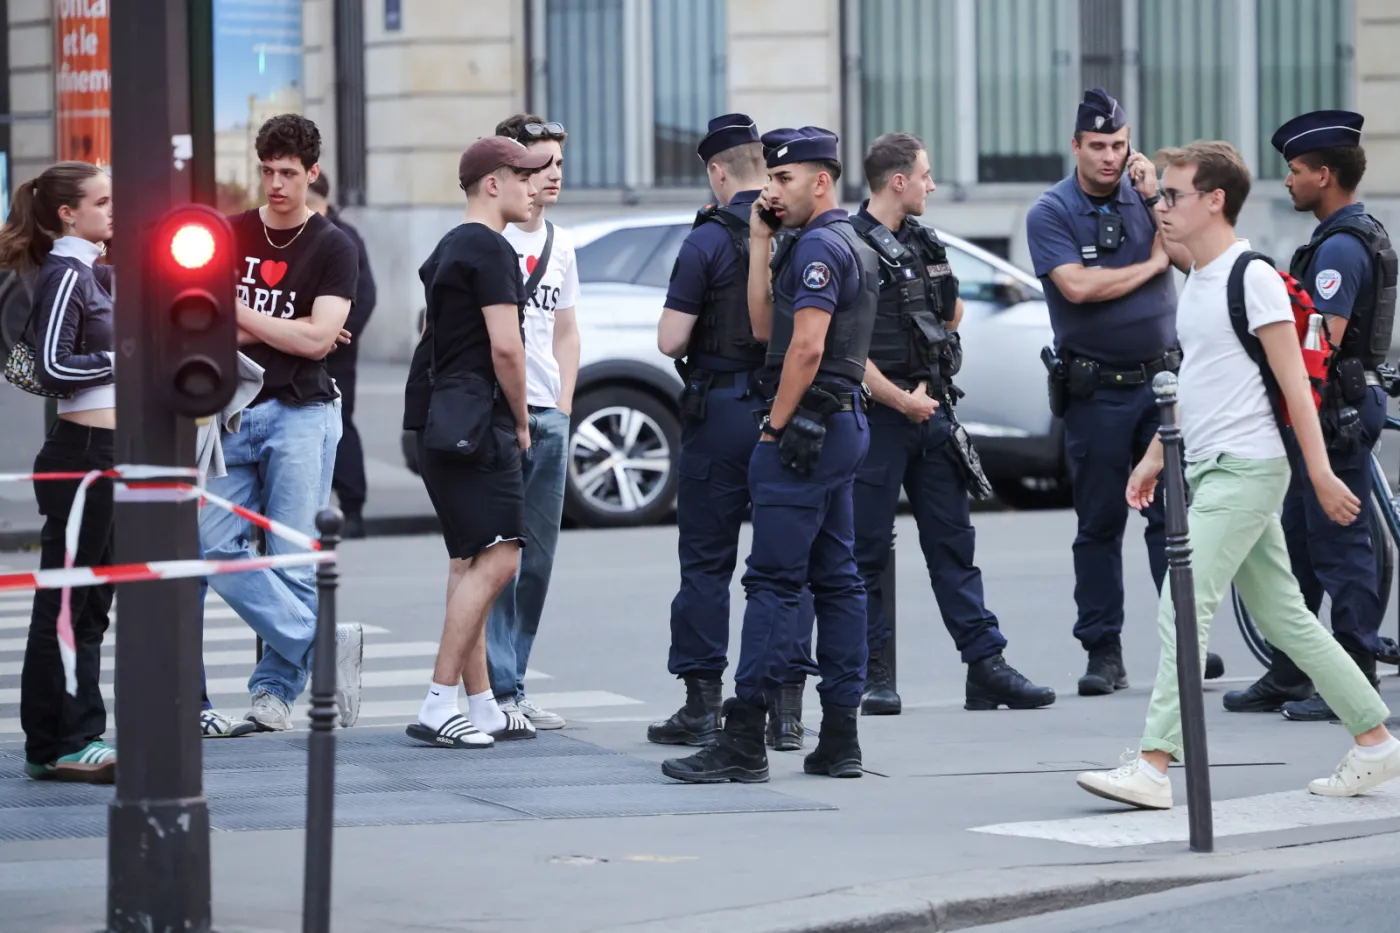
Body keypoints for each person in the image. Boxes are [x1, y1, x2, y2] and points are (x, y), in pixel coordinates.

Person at [1076, 140, 1400, 810]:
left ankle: (1157, 764)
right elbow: (1199, 382)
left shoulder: (1251, 278)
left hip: (1246, 471)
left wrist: (1320, 472)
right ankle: (1376, 741)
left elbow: (1294, 384)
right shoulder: (1200, 276)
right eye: (1161, 194)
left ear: (1214, 199)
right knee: (1287, 619)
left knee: (1182, 605)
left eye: (1173, 195)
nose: (1162, 206)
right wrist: (1156, 456)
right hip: (1215, 464)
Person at [662, 127, 877, 783]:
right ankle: (839, 734)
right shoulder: (838, 240)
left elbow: (804, 349)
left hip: (804, 429)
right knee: (836, 578)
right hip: (840, 427)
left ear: (821, 181)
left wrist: (773, 427)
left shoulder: (817, 246)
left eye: (784, 179)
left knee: (773, 584)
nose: (771, 190)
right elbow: (764, 329)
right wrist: (758, 240)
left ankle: (744, 737)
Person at [1025, 88, 1223, 696]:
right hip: (1098, 393)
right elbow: (1079, 288)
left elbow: (1195, 258)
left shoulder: (1148, 197)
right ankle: (1102, 651)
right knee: (1101, 523)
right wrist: (1150, 264)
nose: (1110, 157)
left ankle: (1184, 640)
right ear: (1076, 147)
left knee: (1175, 524)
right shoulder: (1051, 211)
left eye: (1119, 145)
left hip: (1163, 386)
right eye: (1099, 147)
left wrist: (1152, 198)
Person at [850, 133, 1056, 714]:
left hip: (931, 413)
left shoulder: (923, 239)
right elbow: (842, 348)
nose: (932, 185)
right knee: (867, 551)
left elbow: (950, 310)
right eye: (925, 174)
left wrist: (923, 395)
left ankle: (985, 666)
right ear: (898, 181)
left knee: (954, 545)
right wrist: (900, 400)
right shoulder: (849, 244)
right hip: (878, 419)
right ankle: (874, 676)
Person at [653, 113, 819, 751]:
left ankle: (700, 704)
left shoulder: (707, 239)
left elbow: (671, 339)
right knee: (786, 567)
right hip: (788, 411)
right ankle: (786, 709)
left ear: (718, 172)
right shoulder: (803, 231)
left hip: (721, 412)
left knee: (706, 563)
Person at [1225, 109, 1398, 721]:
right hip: (1330, 412)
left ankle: (1352, 680)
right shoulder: (1345, 237)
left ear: (1325, 175)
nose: (1289, 182)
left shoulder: (1342, 250)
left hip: (1335, 412)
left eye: (1296, 171)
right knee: (1297, 544)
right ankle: (1292, 670)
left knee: (1340, 546)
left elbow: (1319, 344)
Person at [201, 114, 363, 731]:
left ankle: (273, 693)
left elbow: (321, 340)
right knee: (211, 545)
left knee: (291, 562)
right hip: (234, 413)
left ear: (312, 173)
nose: (274, 184)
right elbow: (205, 322)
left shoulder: (332, 245)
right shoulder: (228, 233)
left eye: (288, 173)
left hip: (302, 413)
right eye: (266, 170)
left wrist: (243, 314)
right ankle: (322, 645)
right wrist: (294, 333)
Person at [402, 135, 552, 748]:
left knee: (469, 558)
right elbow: (506, 347)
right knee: (501, 556)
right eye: (523, 177)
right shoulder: (491, 248)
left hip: (442, 420)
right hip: (478, 421)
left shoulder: (450, 246)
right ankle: (439, 701)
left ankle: (483, 702)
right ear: (493, 183)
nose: (533, 186)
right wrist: (520, 420)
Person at [1, 161, 119, 780]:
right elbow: (51, 367)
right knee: (71, 601)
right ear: (68, 214)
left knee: (86, 602)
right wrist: (122, 357)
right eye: (102, 202)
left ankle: (56, 738)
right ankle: (69, 739)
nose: (113, 211)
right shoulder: (68, 272)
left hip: (101, 455)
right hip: (83, 454)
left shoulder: (91, 271)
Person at [482, 114, 581, 731]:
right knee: (498, 557)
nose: (553, 176)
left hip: (549, 414)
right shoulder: (486, 239)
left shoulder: (562, 244)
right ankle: (490, 689)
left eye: (559, 164)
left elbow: (567, 330)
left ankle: (514, 683)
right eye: (541, 164)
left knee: (539, 558)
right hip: (497, 417)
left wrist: (564, 405)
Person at [307, 172, 377, 540]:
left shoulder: (344, 236)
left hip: (337, 354)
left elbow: (365, 295)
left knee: (339, 427)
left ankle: (352, 510)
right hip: (299, 348)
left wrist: (336, 335)